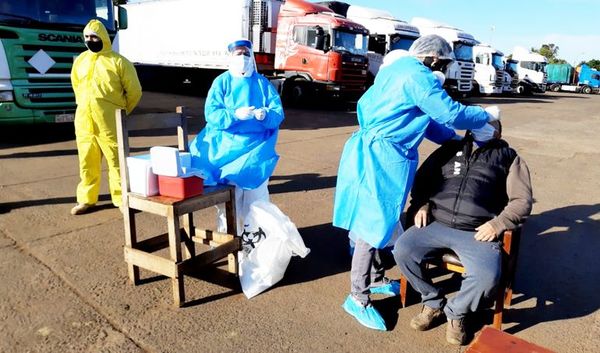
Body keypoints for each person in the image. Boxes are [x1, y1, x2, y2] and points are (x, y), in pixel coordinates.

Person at [332, 34, 500, 331]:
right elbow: (450, 113)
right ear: (435, 58)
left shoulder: (397, 71)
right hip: (382, 158)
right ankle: (357, 297)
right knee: (371, 229)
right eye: (445, 63)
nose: (444, 70)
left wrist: (458, 141)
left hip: (372, 152)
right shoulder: (416, 75)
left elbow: (428, 123)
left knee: (379, 221)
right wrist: (482, 116)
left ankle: (376, 278)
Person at [393, 120, 533, 345]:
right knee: (402, 250)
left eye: (490, 124)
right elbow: (422, 180)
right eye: (478, 121)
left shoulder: (509, 157)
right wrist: (422, 204)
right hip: (437, 222)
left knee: (487, 277)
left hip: (477, 231)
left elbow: (522, 201)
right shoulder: (449, 148)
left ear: (498, 132)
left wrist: (498, 224)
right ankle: (432, 302)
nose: (483, 126)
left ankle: (456, 313)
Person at [189, 39, 284, 233]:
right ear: (230, 57)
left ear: (252, 57)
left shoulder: (262, 83)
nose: (242, 57)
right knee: (229, 201)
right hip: (225, 149)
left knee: (256, 199)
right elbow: (212, 114)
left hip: (256, 148)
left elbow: (277, 113)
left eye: (246, 53)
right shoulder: (221, 82)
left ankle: (254, 241)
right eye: (238, 53)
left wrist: (265, 114)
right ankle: (230, 239)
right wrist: (234, 114)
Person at [70, 19, 142, 215]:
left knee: (116, 161)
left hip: (110, 121)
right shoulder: (80, 61)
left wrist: (121, 111)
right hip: (84, 121)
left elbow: (134, 91)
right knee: (87, 162)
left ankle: (121, 199)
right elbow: (76, 86)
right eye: (86, 37)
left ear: (103, 37)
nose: (90, 40)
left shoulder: (119, 62)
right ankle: (86, 199)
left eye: (94, 36)